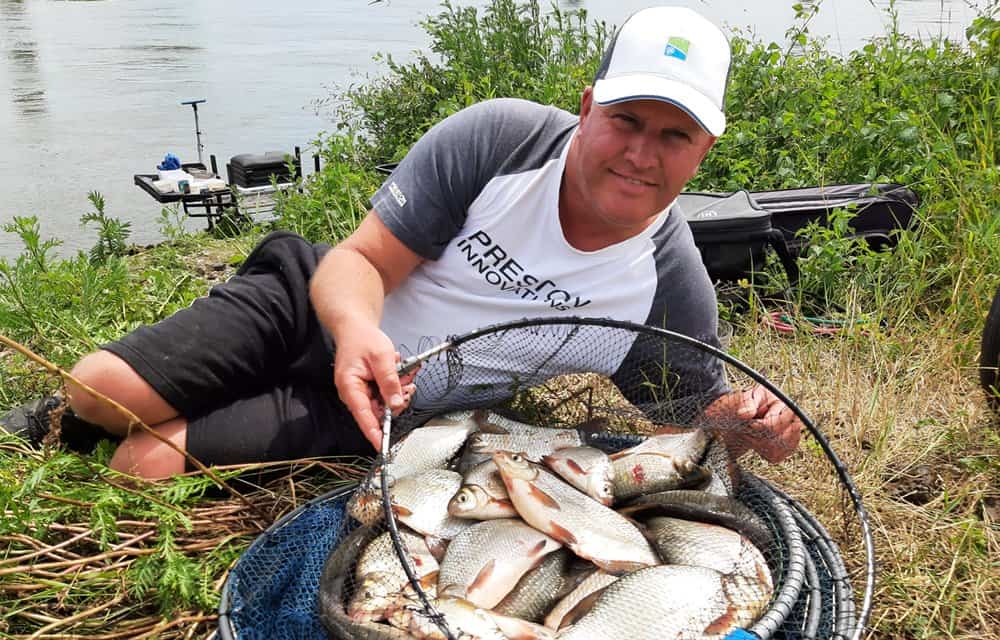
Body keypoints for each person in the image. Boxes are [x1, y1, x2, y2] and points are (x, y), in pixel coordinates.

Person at [0, 6, 801, 477]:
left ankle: (147, 433)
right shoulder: (503, 142)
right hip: (309, 310)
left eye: (674, 134)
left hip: (385, 412)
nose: (640, 153)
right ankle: (51, 419)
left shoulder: (665, 284)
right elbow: (360, 261)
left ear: (705, 150)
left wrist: (756, 420)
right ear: (588, 106)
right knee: (100, 391)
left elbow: (693, 407)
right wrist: (354, 332)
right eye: (626, 120)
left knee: (145, 467)